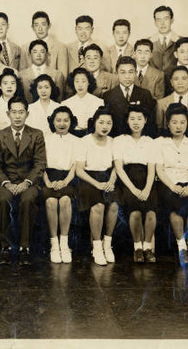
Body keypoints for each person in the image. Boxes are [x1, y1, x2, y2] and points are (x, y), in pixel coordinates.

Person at [0, 96, 46, 265]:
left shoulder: (36, 134)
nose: (18, 116)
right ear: (8, 114)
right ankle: (5, 247)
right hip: (5, 182)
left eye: (21, 112)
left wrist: (26, 182)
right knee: (3, 200)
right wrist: (6, 183)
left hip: (29, 182)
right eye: (14, 112)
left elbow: (40, 163)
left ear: (27, 114)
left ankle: (24, 247)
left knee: (28, 200)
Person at [154, 103, 188, 265]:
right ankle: (182, 248)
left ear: (187, 123)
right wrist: (173, 186)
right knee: (176, 210)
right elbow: (159, 170)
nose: (178, 126)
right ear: (167, 123)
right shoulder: (160, 142)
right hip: (168, 184)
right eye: (174, 122)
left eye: (182, 122)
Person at [76, 106, 119, 265]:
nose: (105, 126)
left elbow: (116, 166)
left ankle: (107, 244)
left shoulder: (113, 142)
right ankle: (96, 246)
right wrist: (97, 184)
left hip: (108, 177)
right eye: (101, 122)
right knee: (98, 206)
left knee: (114, 205)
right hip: (88, 179)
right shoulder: (84, 141)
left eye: (108, 123)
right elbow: (79, 170)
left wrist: (111, 181)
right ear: (94, 123)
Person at [114, 105, 157, 263]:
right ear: (127, 121)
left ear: (145, 120)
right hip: (127, 179)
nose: (136, 122)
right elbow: (119, 168)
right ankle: (137, 247)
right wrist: (132, 189)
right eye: (132, 119)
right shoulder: (120, 140)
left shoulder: (151, 142)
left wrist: (146, 188)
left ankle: (148, 247)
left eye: (139, 119)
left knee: (151, 212)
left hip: (147, 180)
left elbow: (152, 168)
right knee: (135, 212)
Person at [42, 106, 79, 263]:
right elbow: (40, 164)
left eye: (66, 120)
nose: (62, 123)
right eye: (58, 120)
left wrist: (65, 181)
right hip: (48, 177)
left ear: (71, 122)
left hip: (68, 178)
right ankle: (54, 244)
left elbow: (75, 166)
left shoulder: (77, 141)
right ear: (52, 121)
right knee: (51, 201)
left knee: (64, 200)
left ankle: (64, 243)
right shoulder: (45, 139)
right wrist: (48, 182)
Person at [103, 56, 156, 138]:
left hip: (140, 141)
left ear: (136, 73)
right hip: (117, 140)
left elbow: (150, 123)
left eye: (130, 72)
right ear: (116, 74)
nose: (127, 76)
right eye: (123, 72)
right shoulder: (108, 96)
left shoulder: (145, 94)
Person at [156, 66, 188, 139]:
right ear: (171, 82)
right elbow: (159, 130)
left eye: (184, 78)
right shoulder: (161, 103)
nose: (180, 82)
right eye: (176, 79)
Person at [61, 67, 103, 137]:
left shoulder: (99, 102)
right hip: (72, 137)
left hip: (92, 137)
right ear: (73, 83)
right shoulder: (65, 104)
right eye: (77, 81)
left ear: (89, 82)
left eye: (83, 81)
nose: (80, 85)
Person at [149, 5, 180, 72]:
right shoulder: (148, 42)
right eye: (159, 20)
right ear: (155, 23)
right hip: (154, 81)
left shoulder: (181, 41)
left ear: (172, 20)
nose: (162, 23)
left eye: (166, 19)